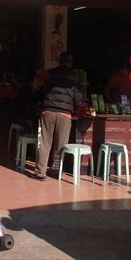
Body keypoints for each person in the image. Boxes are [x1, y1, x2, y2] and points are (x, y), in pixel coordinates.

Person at [34, 52, 84, 180]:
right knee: (60, 144)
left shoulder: (49, 74)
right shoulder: (74, 77)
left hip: (48, 111)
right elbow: (78, 99)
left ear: (59, 61)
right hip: (65, 114)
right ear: (70, 62)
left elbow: (40, 90)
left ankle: (40, 172)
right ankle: (56, 170)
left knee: (44, 142)